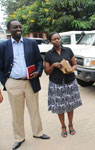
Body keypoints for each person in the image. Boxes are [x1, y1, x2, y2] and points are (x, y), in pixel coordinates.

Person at [0, 19, 50, 150]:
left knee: (34, 110)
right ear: (9, 30)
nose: (18, 29)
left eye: (20, 27)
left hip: (30, 82)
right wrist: (6, 82)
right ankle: (19, 137)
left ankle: (38, 133)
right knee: (17, 113)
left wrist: (38, 72)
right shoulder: (3, 46)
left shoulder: (31, 43)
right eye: (15, 27)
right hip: (13, 83)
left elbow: (39, 61)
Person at [44, 32, 82, 138]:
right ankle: (63, 127)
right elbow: (47, 72)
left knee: (70, 106)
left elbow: (75, 64)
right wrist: (53, 65)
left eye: (58, 38)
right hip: (56, 83)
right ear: (50, 41)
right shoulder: (49, 54)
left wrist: (71, 69)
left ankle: (70, 125)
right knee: (60, 107)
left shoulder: (68, 50)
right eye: (54, 39)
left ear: (60, 39)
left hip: (70, 81)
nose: (56, 40)